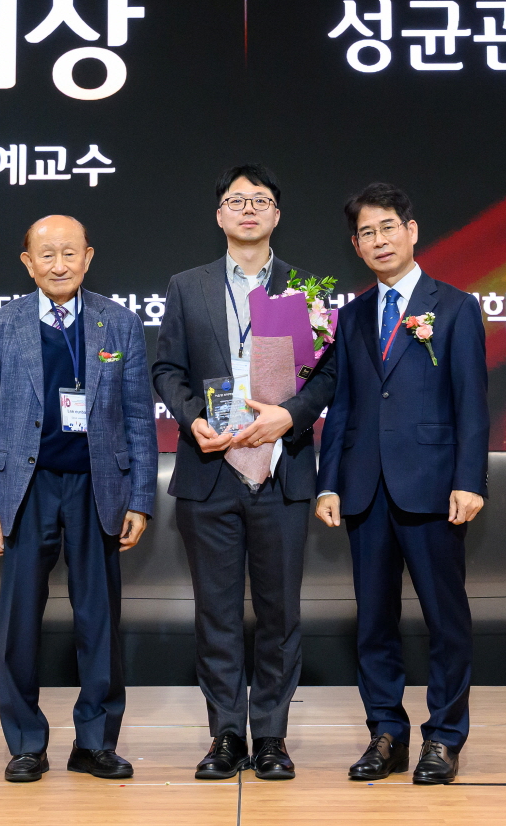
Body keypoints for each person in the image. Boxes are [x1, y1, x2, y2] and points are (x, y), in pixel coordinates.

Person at [152, 164, 336, 781]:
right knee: (217, 612)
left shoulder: (306, 289)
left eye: (260, 200)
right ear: (219, 215)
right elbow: (166, 370)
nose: (248, 209)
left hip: (281, 469)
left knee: (280, 613)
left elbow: (329, 375)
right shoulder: (188, 286)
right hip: (210, 469)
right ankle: (227, 734)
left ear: (277, 214)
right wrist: (190, 420)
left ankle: (273, 737)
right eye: (237, 200)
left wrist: (291, 417)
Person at [0, 214, 157, 783]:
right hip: (26, 489)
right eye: (46, 254)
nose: (59, 264)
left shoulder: (119, 323)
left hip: (99, 487)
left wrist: (141, 498)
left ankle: (95, 743)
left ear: (88, 257)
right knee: (19, 622)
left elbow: (139, 418)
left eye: (70, 253)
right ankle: (26, 743)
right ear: (28, 263)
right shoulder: (2, 326)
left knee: (100, 621)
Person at [312, 182, 488, 785]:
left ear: (412, 231)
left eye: (388, 227)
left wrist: (469, 479)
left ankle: (444, 737)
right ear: (356, 247)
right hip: (364, 488)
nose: (378, 240)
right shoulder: (353, 314)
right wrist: (329, 483)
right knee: (373, 622)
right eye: (366, 232)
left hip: (434, 486)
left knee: (445, 619)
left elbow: (472, 403)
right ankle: (386, 732)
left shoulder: (456, 307)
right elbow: (342, 405)